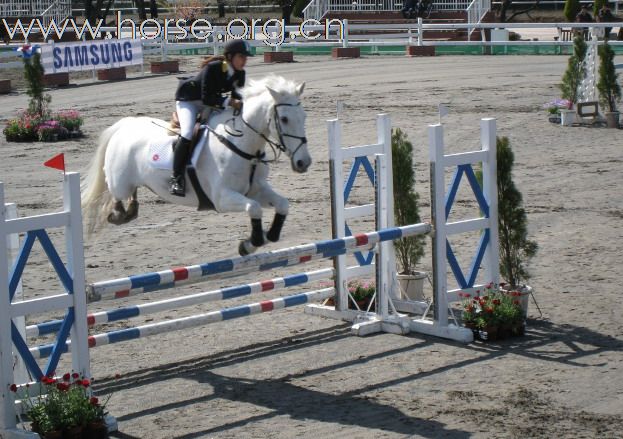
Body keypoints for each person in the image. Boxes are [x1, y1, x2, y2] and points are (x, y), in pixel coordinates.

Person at [169, 39, 253, 197]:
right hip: (189, 100)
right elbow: (207, 98)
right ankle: (176, 177)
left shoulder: (240, 73)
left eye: (246, 57)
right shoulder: (213, 67)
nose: (245, 60)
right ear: (230, 56)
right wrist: (229, 102)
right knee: (187, 132)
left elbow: (237, 99)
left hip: (211, 102)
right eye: (241, 56)